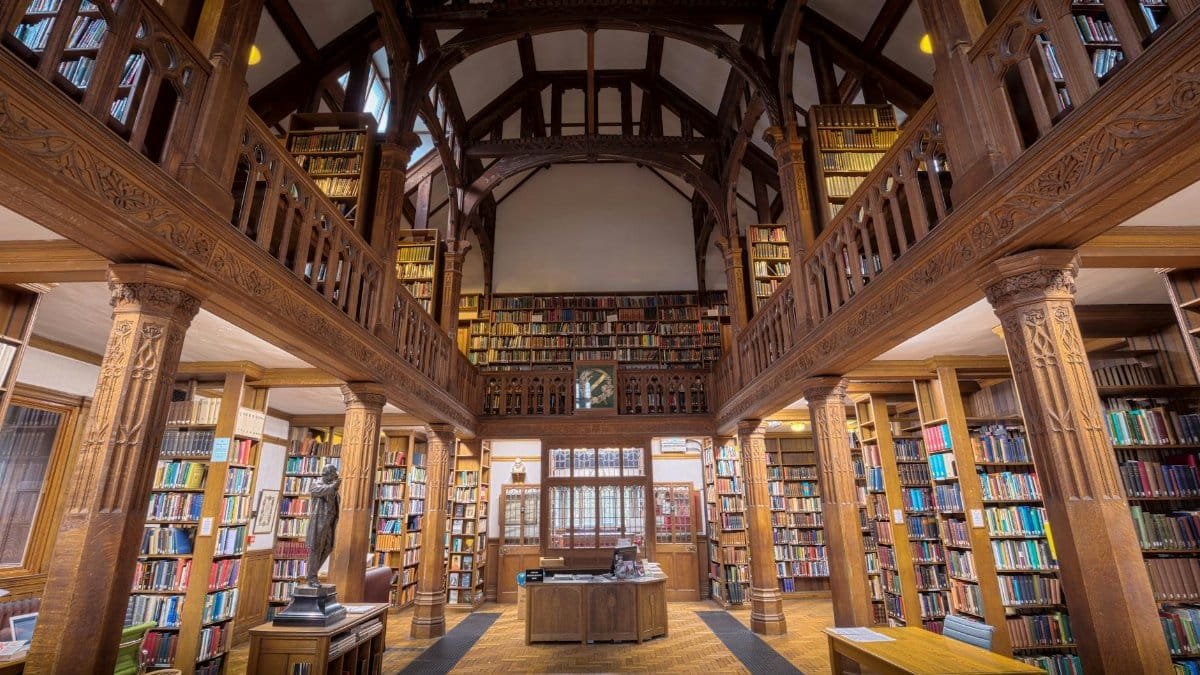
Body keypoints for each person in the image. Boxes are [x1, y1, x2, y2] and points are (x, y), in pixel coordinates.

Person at [305, 464, 340, 587]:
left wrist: (334, 487)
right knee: (316, 548)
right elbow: (323, 490)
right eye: (334, 473)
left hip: (329, 522)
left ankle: (312, 573)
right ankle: (312, 577)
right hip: (319, 523)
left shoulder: (332, 489)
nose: (336, 475)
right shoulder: (316, 485)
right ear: (328, 474)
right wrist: (334, 485)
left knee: (328, 547)